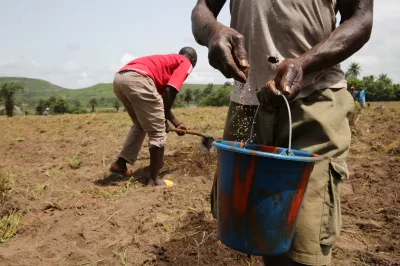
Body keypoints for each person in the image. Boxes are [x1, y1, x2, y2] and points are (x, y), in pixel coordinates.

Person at [192, 0, 373, 265]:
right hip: (247, 99)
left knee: (304, 244)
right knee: (262, 229)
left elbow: (362, 18)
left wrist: (304, 63)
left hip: (313, 96)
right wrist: (212, 32)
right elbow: (202, 9)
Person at [110, 47, 197, 187]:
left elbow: (160, 101)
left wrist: (176, 123)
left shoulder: (166, 63)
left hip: (121, 78)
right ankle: (154, 180)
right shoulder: (185, 62)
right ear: (193, 60)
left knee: (140, 125)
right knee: (157, 131)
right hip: (139, 79)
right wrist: (162, 122)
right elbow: (170, 90)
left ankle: (120, 164)